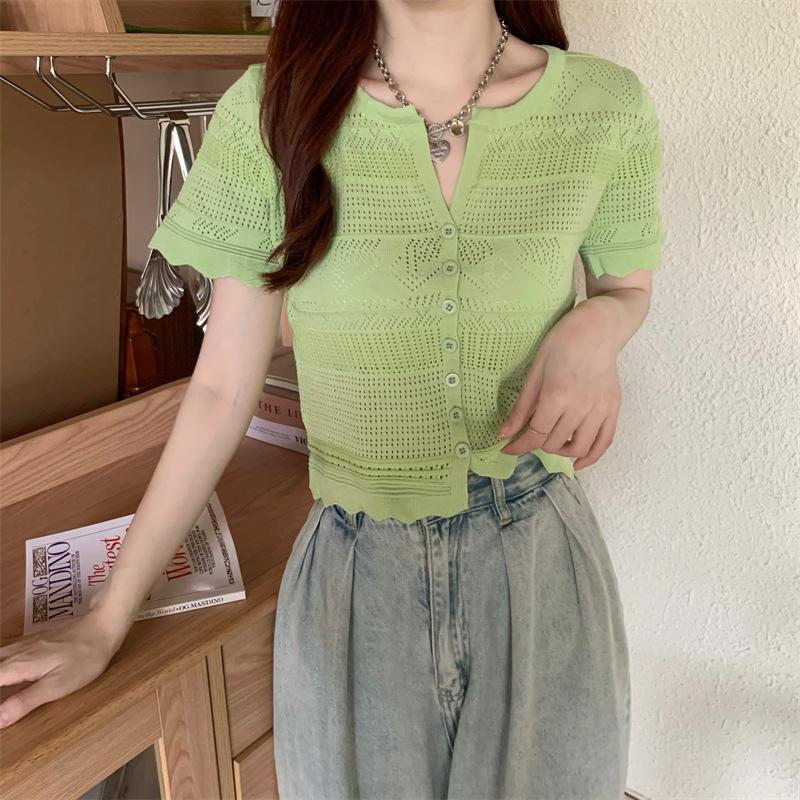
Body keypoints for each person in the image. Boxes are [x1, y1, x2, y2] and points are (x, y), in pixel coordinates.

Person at [0, 1, 666, 797]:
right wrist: (106, 620)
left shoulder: (605, 105)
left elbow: (626, 287)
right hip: (356, 582)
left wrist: (597, 327)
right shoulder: (272, 112)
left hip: (541, 563)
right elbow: (219, 389)